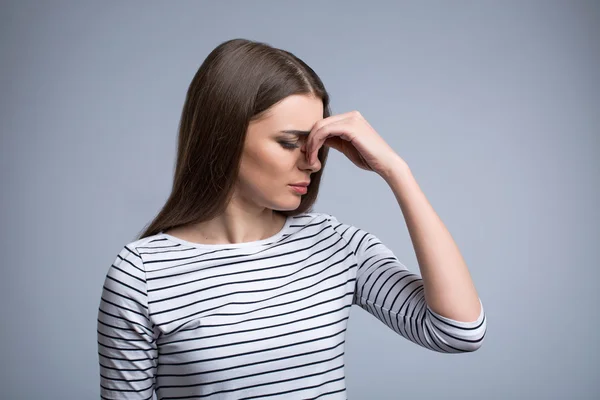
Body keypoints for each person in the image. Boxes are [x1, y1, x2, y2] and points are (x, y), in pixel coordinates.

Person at [97, 38, 486, 400]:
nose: (312, 162)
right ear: (224, 134)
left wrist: (397, 172)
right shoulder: (143, 273)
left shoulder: (336, 245)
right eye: (288, 142)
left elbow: (459, 331)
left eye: (317, 143)